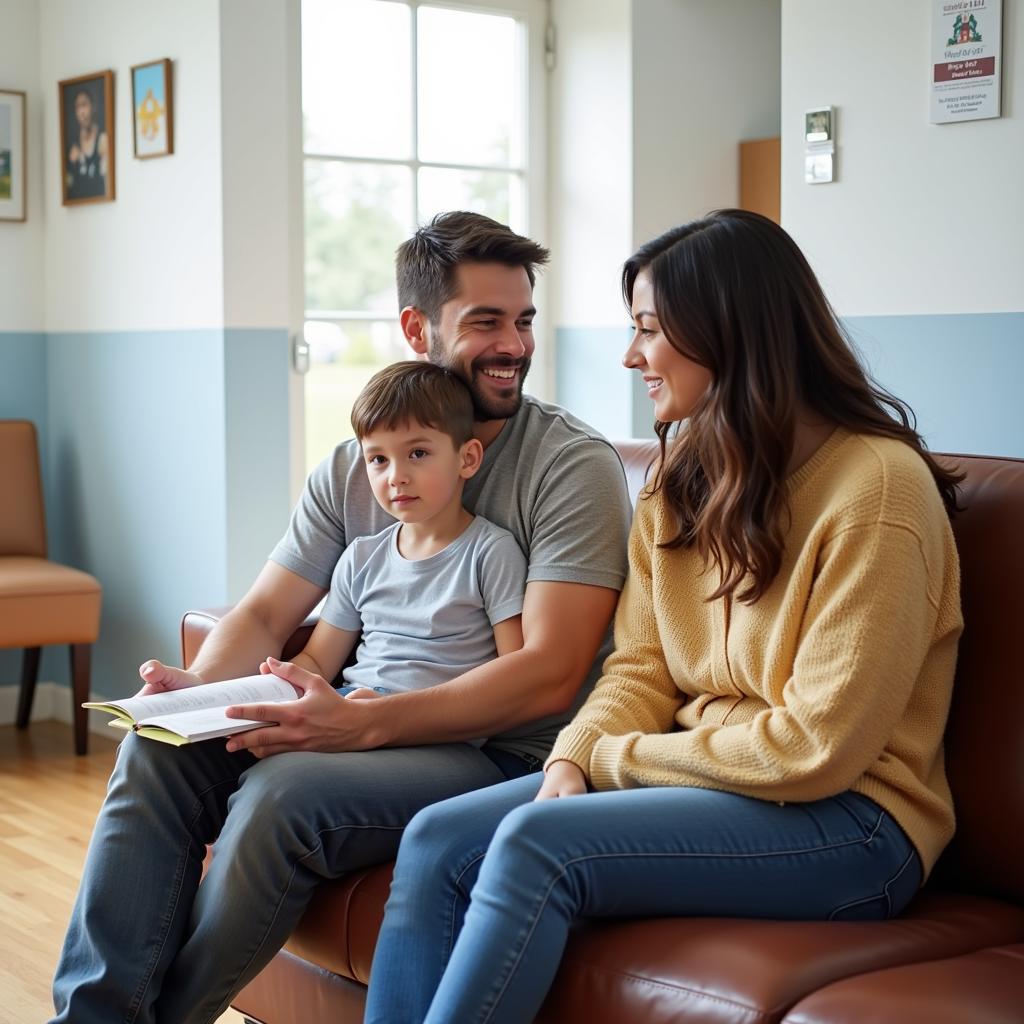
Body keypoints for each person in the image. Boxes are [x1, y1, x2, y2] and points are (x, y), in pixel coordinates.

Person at [362, 209, 965, 1024]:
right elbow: (641, 667)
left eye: (649, 329)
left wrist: (609, 759)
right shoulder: (682, 474)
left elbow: (816, 751)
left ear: (728, 332)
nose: (631, 354)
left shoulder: (878, 492)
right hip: (717, 782)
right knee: (436, 839)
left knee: (536, 848)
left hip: (853, 826)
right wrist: (574, 758)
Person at [49, 211, 632, 1024]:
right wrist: (202, 694)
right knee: (155, 750)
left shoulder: (571, 467)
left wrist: (362, 727)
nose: (516, 345)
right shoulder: (356, 470)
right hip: (362, 719)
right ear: (415, 327)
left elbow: (551, 673)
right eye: (486, 322)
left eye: (525, 320)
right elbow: (264, 611)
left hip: (500, 754)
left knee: (284, 794)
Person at [282, 359, 528, 708]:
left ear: (468, 458)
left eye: (417, 453)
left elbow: (514, 673)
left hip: (431, 729)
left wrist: (379, 714)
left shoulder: (490, 553)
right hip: (350, 704)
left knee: (282, 765)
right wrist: (272, 686)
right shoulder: (360, 557)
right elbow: (318, 662)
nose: (396, 476)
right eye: (378, 459)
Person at [65, 86, 108, 200]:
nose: (81, 112)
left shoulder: (103, 138)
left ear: (93, 106)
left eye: (84, 105)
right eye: (77, 107)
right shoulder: (72, 144)